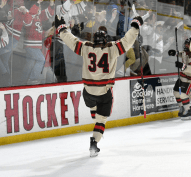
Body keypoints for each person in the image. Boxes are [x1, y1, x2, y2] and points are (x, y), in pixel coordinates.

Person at [54, 15, 143, 157]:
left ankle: (94, 113)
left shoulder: (86, 48)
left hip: (88, 93)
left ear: (93, 40)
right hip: (104, 93)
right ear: (106, 40)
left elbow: (71, 41)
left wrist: (62, 29)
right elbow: (127, 41)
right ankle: (94, 143)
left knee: (94, 108)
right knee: (101, 120)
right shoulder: (112, 49)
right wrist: (135, 26)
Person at [168, 38, 191, 120]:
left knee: (183, 94)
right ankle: (181, 107)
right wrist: (175, 53)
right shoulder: (186, 52)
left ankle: (188, 110)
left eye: (188, 44)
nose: (186, 46)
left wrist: (182, 66)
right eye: (185, 44)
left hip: (189, 79)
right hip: (182, 77)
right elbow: (183, 54)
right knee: (176, 92)